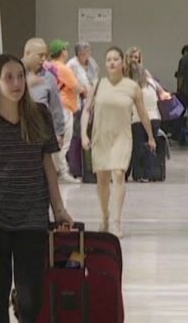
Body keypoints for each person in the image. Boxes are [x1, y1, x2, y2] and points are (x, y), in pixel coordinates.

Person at [0, 54, 73, 323]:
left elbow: (48, 166)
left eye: (20, 76)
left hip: (32, 216)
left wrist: (59, 209)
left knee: (31, 299)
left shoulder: (38, 114)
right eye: (9, 77)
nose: (17, 83)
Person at [81, 46, 156, 238]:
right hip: (101, 136)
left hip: (122, 137)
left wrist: (150, 136)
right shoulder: (98, 84)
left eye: (115, 59)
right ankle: (104, 216)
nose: (112, 62)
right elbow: (87, 110)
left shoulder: (132, 87)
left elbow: (142, 113)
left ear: (122, 62)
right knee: (102, 181)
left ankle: (116, 221)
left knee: (119, 173)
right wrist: (83, 134)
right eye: (108, 59)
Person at [22, 38, 66, 158]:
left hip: (40, 136)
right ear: (27, 53)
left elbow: (55, 107)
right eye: (40, 55)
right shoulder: (14, 73)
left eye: (45, 56)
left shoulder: (49, 78)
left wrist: (59, 132)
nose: (44, 60)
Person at [48, 39, 84, 183]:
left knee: (51, 141)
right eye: (65, 49)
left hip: (50, 107)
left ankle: (52, 171)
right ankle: (62, 172)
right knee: (64, 142)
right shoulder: (64, 69)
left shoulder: (47, 67)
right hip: (64, 107)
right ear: (62, 52)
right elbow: (77, 88)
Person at [127, 57, 162, 182]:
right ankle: (152, 172)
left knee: (139, 146)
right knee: (151, 146)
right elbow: (161, 94)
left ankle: (140, 173)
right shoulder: (152, 82)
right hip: (156, 117)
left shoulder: (133, 86)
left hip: (138, 119)